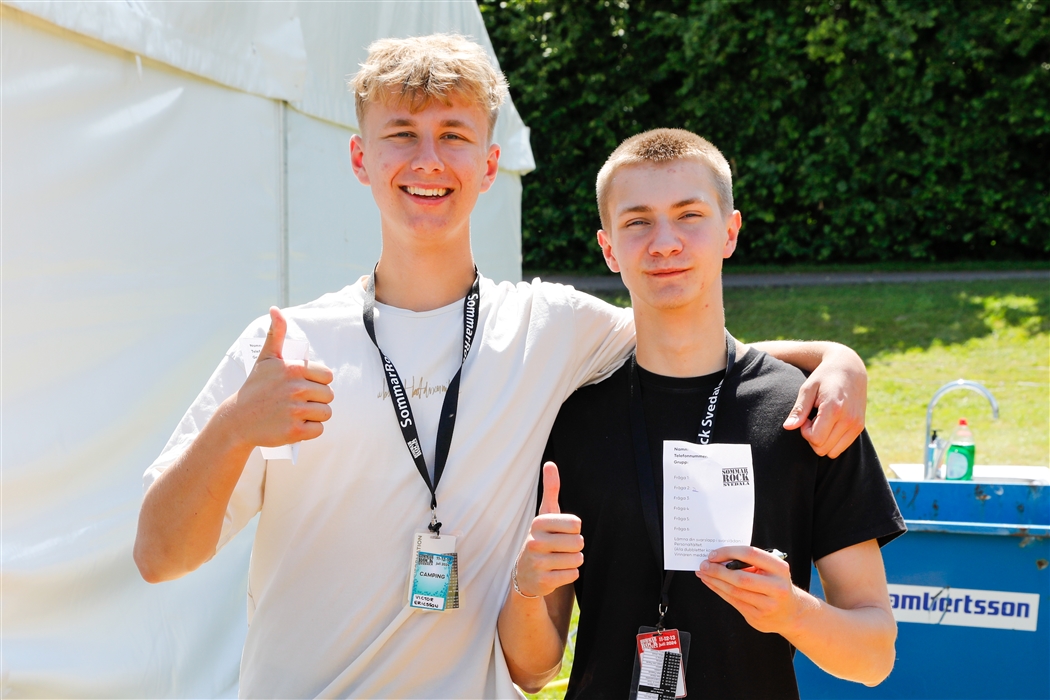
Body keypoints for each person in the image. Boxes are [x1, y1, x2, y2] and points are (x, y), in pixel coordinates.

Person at [134, 37, 869, 698]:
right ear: (362, 159)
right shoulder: (288, 347)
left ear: (489, 165)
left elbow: (688, 339)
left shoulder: (550, 328)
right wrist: (232, 429)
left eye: (453, 135)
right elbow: (159, 556)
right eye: (402, 135)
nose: (428, 161)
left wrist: (838, 359)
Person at [499, 129, 906, 698]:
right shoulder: (570, 420)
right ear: (609, 247)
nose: (664, 243)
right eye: (637, 221)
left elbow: (874, 656)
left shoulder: (807, 411)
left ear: (729, 232)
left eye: (689, 215)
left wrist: (791, 611)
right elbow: (531, 669)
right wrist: (526, 586)